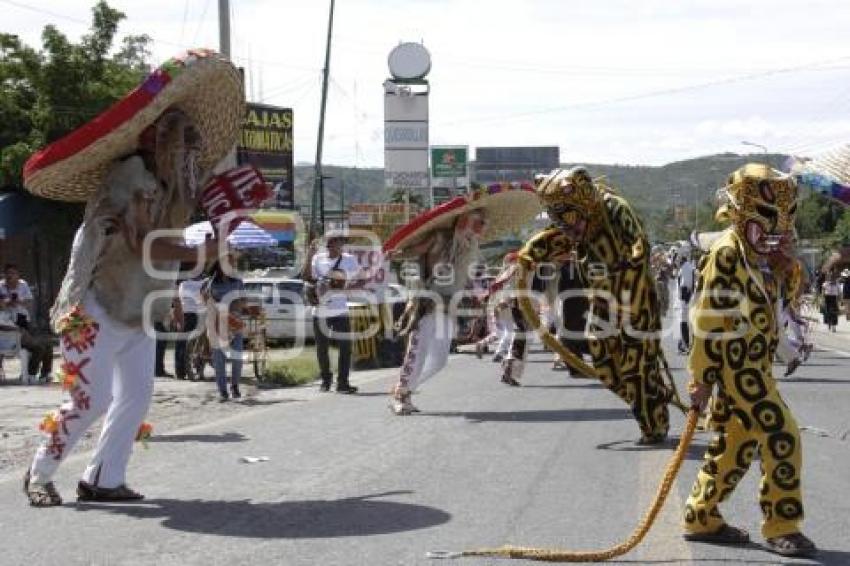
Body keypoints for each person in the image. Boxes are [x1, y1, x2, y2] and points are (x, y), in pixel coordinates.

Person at [21, 49, 244, 507]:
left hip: (137, 311)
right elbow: (147, 244)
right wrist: (206, 249)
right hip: (95, 308)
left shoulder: (168, 190)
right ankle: (40, 474)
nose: (191, 148)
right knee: (90, 401)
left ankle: (102, 479)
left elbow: (167, 250)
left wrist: (211, 244)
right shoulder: (131, 175)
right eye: (184, 138)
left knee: (135, 400)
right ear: (157, 138)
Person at [683, 163, 816, 557]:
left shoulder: (758, 252)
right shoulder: (726, 252)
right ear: (743, 212)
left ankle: (700, 516)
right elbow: (706, 319)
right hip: (736, 368)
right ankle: (781, 524)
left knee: (736, 445)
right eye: (768, 220)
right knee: (782, 435)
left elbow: (781, 301)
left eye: (784, 222)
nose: (777, 231)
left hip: (758, 368)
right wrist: (701, 379)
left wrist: (785, 264)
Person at [523, 167, 673, 444]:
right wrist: (525, 257)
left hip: (634, 301)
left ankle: (654, 425)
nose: (572, 228)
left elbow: (638, 242)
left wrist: (631, 259)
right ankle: (652, 398)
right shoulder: (570, 224)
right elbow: (550, 239)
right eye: (563, 219)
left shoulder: (613, 207)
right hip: (601, 303)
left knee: (635, 367)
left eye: (572, 218)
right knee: (604, 366)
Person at [385, 183, 540, 415]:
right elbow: (413, 250)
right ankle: (402, 393)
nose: (479, 230)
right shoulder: (439, 237)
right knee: (418, 351)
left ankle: (403, 388)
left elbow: (461, 277)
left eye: (482, 226)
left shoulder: (468, 249)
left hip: (449, 307)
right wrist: (396, 253)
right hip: (427, 304)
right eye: (477, 223)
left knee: (439, 362)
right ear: (462, 221)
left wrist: (475, 297)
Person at [309, 234, 360, 394]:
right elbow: (308, 277)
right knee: (321, 348)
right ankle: (325, 380)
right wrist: (309, 255)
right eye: (335, 243)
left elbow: (357, 278)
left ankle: (343, 383)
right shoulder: (318, 258)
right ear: (328, 245)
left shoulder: (349, 259)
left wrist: (344, 286)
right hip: (320, 309)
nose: (339, 247)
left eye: (341, 243)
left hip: (340, 309)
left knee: (345, 347)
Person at [203, 257, 247, 401]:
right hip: (217, 324)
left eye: (232, 264)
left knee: (237, 358)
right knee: (219, 360)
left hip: (234, 323)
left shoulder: (238, 282)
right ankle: (222, 391)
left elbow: (242, 302)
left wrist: (233, 306)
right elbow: (206, 301)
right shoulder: (210, 283)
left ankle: (235, 386)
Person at [175, 269, 206, 380]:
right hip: (197, 315)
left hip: (183, 314)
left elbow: (178, 299)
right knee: (200, 343)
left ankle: (179, 372)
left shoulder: (182, 284)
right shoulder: (203, 283)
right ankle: (199, 368)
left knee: (180, 344)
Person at [677, 248, 696, 354]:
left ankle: (685, 345)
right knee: (684, 322)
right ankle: (683, 343)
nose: (677, 258)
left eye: (679, 256)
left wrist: (685, 302)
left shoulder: (686, 267)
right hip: (684, 299)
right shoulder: (685, 267)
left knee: (684, 322)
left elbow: (687, 286)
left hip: (685, 299)